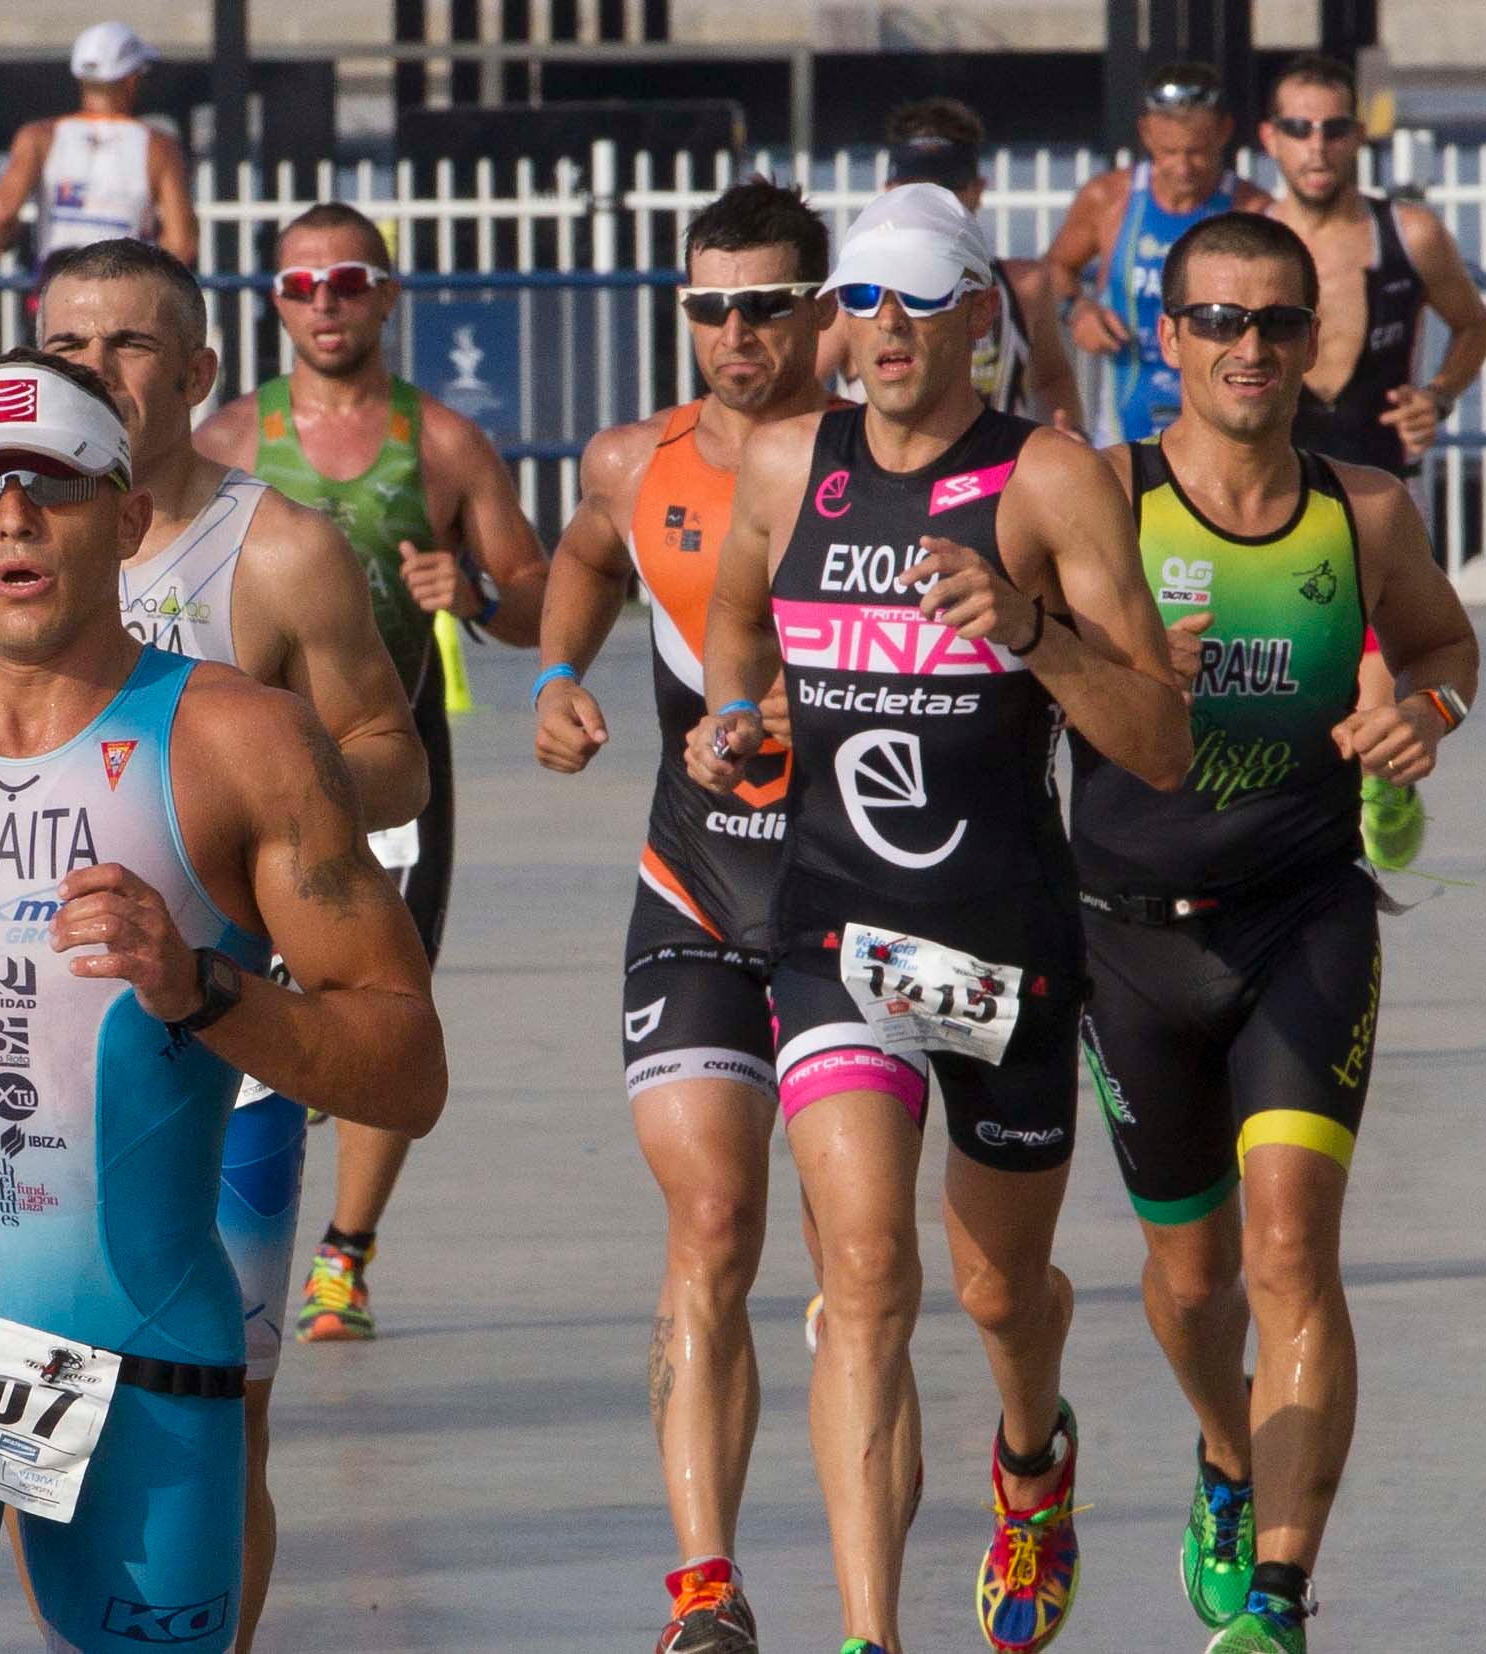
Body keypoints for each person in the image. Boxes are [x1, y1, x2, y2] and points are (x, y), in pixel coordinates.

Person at [0, 348, 445, 1654]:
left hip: (151, 1357)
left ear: (122, 518)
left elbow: (403, 1063)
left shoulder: (245, 743)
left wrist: (201, 986)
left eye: (49, 483)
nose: (12, 514)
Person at [692, 184, 1190, 1654]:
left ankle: (1029, 1462)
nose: (883, 327)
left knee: (993, 1286)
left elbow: (1155, 739)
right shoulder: (787, 462)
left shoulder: (1048, 481)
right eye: (856, 298)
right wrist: (735, 719)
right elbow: (732, 617)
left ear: (981, 308)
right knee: (862, 1275)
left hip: (1001, 945)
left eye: (916, 296)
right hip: (833, 929)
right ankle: (868, 1633)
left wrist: (1026, 631)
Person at [1071, 212, 1478, 1654]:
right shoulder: (1099, 500)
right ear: (1165, 335)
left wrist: (1415, 714)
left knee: (1291, 1249)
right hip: (1125, 940)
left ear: (1314, 343)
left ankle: (1278, 1601)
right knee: (1189, 1289)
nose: (1247, 348)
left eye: (1275, 323)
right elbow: (989, 674)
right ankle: (1227, 1455)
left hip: (1300, 918)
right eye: (1216, 320)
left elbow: (1441, 645)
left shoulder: (1359, 512)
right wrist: (1103, 667)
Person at [533, 177, 834, 1653]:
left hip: (871, 900)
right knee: (710, 1220)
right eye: (707, 305)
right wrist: (551, 675)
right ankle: (705, 1590)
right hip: (697, 881)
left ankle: (1019, 1451)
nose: (732, 333)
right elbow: (587, 560)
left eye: (762, 304)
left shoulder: (884, 461)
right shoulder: (626, 459)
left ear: (819, 310)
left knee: (892, 1271)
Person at [196, 202, 546, 1351]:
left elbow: (542, 593)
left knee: (380, 1004)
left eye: (347, 280)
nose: (325, 301)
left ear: (388, 295)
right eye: (301, 285)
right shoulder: (233, 441)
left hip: (384, 767)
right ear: (274, 302)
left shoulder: (441, 443)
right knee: (231, 1000)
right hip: (246, 770)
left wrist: (479, 599)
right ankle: (215, 1230)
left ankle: (342, 1254)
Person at [1257, 52, 1486, 872]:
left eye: (1331, 128)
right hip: (1272, 493)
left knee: (1373, 677)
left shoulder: (1409, 232)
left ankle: (1379, 781)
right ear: (1270, 138)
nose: (1315, 146)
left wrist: (1438, 395)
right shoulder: (1251, 240)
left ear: (1357, 136)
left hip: (1377, 492)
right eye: (1297, 128)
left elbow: (1474, 324)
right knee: (1275, 677)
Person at [817, 98, 1082, 430]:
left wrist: (1065, 435)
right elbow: (800, 388)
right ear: (888, 193)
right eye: (916, 189)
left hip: (999, 474)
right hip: (890, 475)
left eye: (945, 189)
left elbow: (1051, 378)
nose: (932, 203)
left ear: (977, 190)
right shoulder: (858, 298)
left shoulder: (1024, 285)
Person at [1042, 63, 1270, 442]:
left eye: (1197, 152)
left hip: (1223, 430)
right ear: (1146, 133)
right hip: (1122, 429)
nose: (1183, 167)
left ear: (1224, 132)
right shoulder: (1109, 199)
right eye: (1169, 152)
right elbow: (1056, 267)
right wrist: (1077, 310)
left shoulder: (1252, 210)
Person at [0, 22, 199, 272]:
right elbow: (182, 243)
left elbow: (4, 213)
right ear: (131, 79)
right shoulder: (158, 146)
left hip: (58, 284)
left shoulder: (40, 137)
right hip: (124, 288)